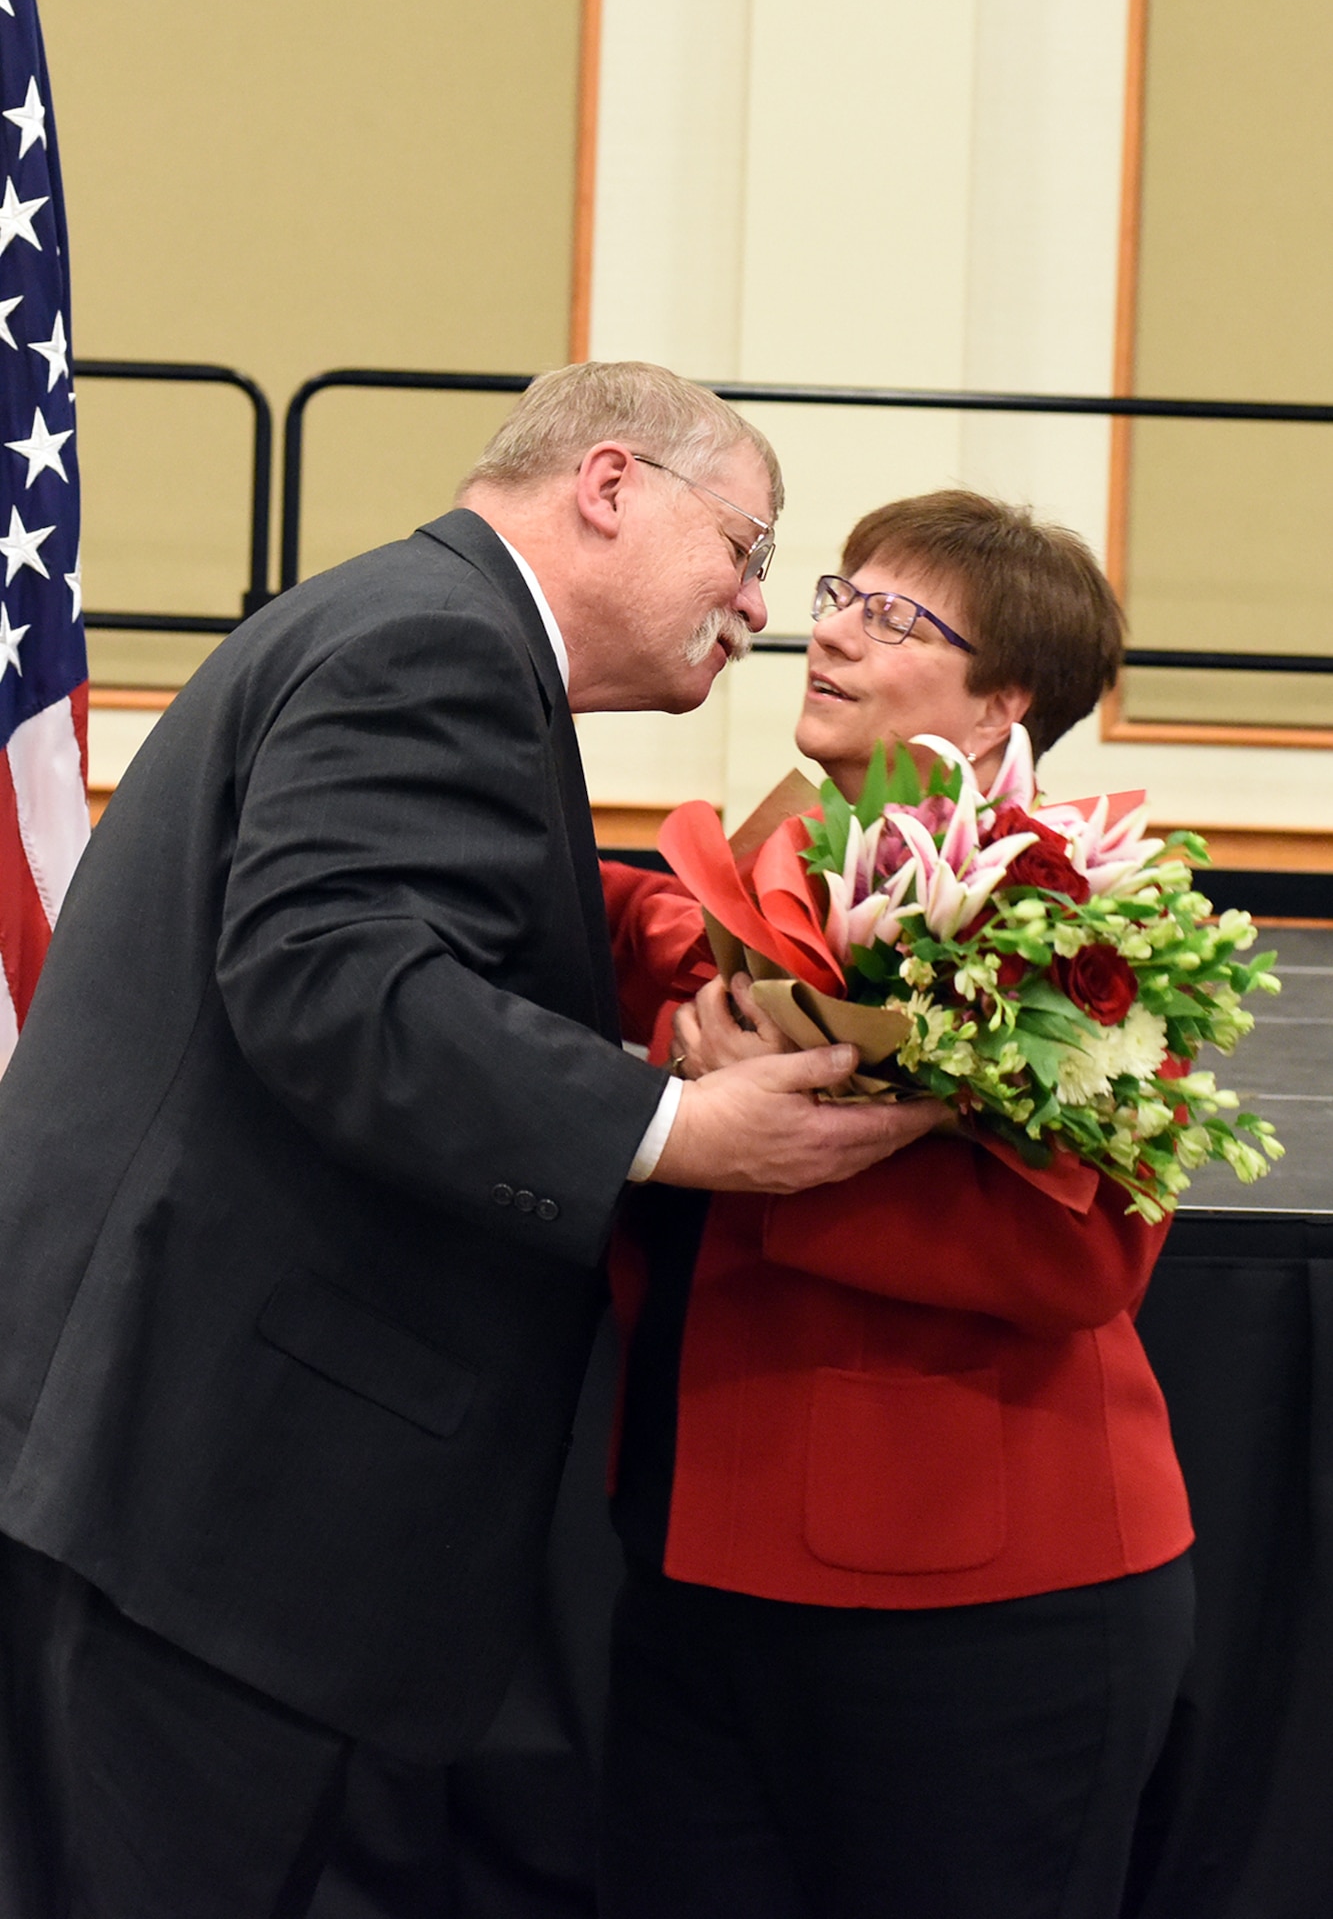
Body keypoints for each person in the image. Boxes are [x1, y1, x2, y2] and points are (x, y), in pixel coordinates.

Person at [0, 361, 940, 1919]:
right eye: (750, 548)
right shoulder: (436, 643)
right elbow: (331, 978)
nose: (759, 606)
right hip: (203, 1493)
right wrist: (673, 1127)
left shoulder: (407, 622)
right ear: (611, 484)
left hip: (154, 1461)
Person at [599, 490, 1196, 1919]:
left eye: (896, 616)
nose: (834, 631)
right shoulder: (799, 849)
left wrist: (743, 1160)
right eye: (841, 593)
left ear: (1002, 704)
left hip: (973, 1611)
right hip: (702, 1563)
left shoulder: (1074, 924)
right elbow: (675, 939)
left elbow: (1088, 1258)